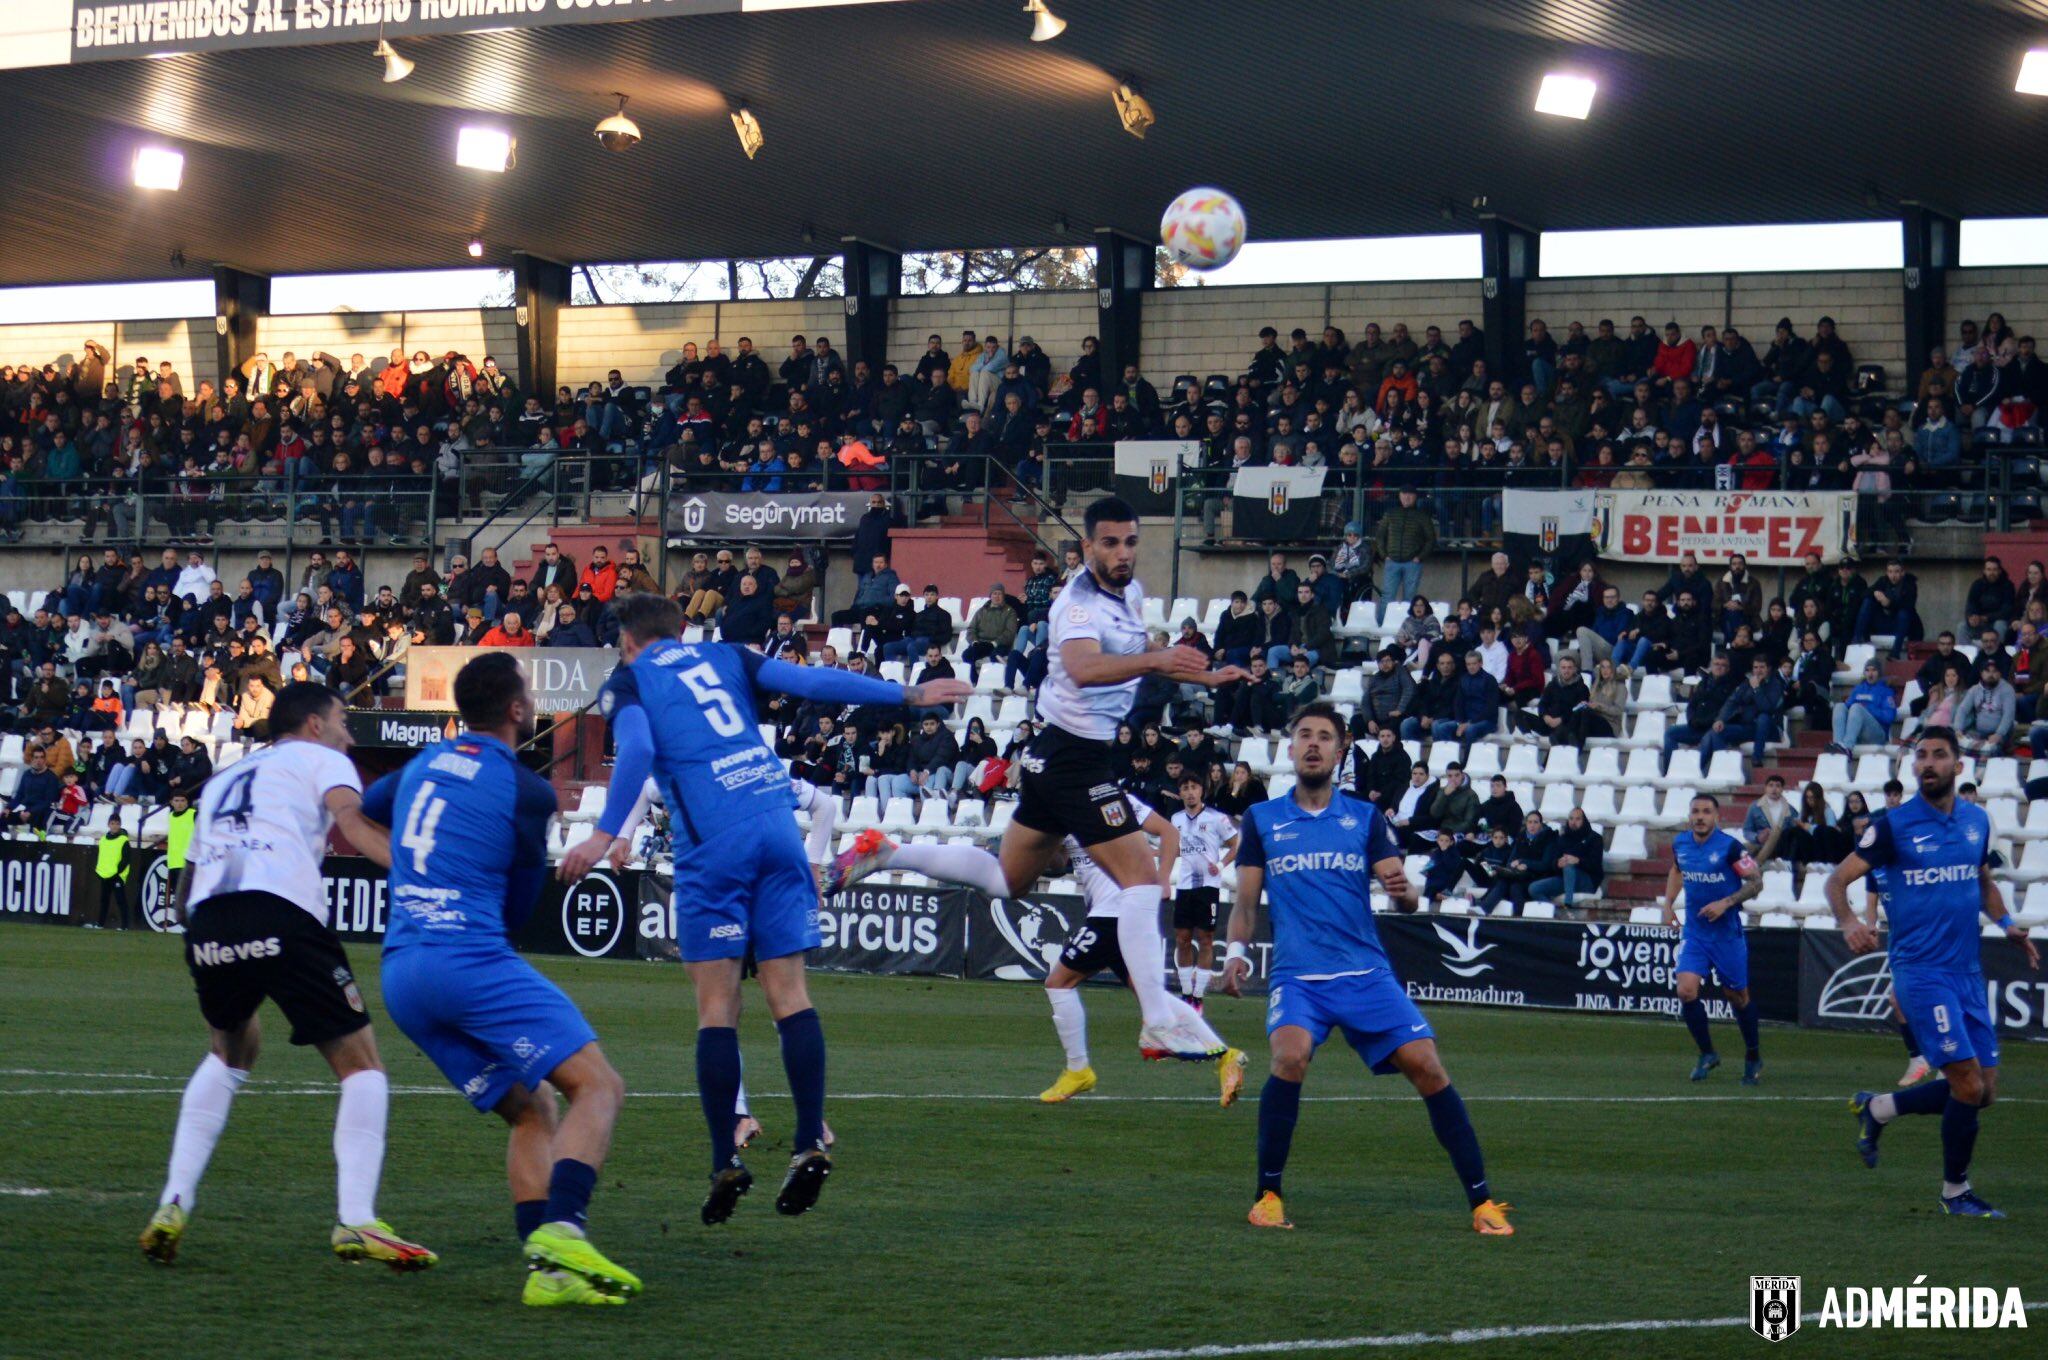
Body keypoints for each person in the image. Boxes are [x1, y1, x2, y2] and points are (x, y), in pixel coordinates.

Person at [556, 593, 970, 1225]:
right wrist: (907, 697)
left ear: (629, 641)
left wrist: (603, 832)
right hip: (777, 826)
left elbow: (636, 751)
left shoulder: (629, 679)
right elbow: (812, 680)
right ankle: (808, 1141)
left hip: (713, 843)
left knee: (718, 1005)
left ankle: (726, 1157)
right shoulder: (725, 655)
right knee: (791, 995)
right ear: (682, 630)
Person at [827, 498, 1247, 1058]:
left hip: (1064, 758)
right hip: (1074, 757)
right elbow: (1082, 667)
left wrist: (1197, 671)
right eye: (1111, 543)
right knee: (1144, 880)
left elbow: (1139, 649)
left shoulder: (1132, 594)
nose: (1123, 553)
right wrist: (1157, 662)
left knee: (1008, 881)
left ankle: (887, 851)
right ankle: (1156, 1018)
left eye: (1130, 542)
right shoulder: (1076, 604)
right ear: (1088, 548)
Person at [358, 653, 637, 1308]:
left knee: (531, 1108)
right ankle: (566, 1229)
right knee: (598, 1087)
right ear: (515, 711)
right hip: (468, 961)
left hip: (402, 973)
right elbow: (515, 913)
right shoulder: (528, 790)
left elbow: (370, 809)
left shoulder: (421, 763)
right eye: (529, 696)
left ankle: (548, 1273)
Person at [139, 683, 435, 1270]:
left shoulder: (227, 774)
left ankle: (173, 1202)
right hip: (279, 910)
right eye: (344, 720)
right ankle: (357, 1220)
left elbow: (189, 877)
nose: (350, 732)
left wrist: (206, 935)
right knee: (362, 1066)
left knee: (230, 1050)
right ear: (315, 724)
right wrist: (419, 872)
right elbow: (351, 822)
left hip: (208, 920)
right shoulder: (325, 759)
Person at [1218, 702, 1512, 1237]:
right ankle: (1268, 1196)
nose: (1313, 744)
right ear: (1290, 748)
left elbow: (1403, 895)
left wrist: (1407, 893)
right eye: (1304, 734)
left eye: (1324, 737)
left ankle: (1483, 1202)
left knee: (1428, 1066)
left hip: (1365, 974)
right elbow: (1245, 903)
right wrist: (1235, 955)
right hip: (1298, 977)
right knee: (1288, 1057)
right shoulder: (1262, 820)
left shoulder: (1365, 819)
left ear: (1340, 749)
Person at [1835, 728, 2041, 1219]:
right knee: (1966, 1085)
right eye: (1921, 756)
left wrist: (2008, 924)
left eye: (1938, 755)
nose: (1928, 763)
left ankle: (1879, 1108)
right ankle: (1955, 1192)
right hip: (1921, 973)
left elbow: (1983, 880)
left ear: (1958, 766)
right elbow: (1837, 878)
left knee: (1984, 1092)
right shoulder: (1893, 826)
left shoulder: (1976, 821)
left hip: (1966, 972)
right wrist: (1848, 921)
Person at [1037, 793, 1246, 1107]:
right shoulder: (1063, 807)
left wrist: (1162, 880)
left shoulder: (1112, 798)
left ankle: (1077, 1069)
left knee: (1058, 983)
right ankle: (1225, 1056)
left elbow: (1169, 832)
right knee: (1153, 998)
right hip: (1119, 915)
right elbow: (1057, 863)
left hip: (1113, 914)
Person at [1660, 794, 1765, 1085]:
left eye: (1707, 811)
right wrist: (1668, 903)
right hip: (1695, 933)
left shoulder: (1730, 847)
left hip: (1726, 936)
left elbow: (1757, 882)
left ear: (1717, 817)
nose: (1700, 816)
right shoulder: (1681, 844)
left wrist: (1726, 902)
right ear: (1689, 815)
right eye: (1695, 811)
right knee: (1686, 991)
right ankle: (1708, 1053)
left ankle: (1753, 1054)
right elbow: (1676, 870)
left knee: (1738, 997)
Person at [1169, 774, 1239, 1010]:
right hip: (1184, 886)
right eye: (1185, 788)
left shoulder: (1216, 818)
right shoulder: (1175, 819)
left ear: (1202, 791)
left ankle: (1198, 997)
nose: (1190, 792)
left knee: (1206, 939)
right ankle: (1186, 993)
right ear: (1180, 793)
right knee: (1182, 939)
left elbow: (1235, 843)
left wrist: (1220, 866)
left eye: (1194, 787)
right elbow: (1177, 849)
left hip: (1208, 886)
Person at [1831, 660, 1898, 753]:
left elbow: (1889, 717)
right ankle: (1838, 744)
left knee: (1856, 708)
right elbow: (1847, 706)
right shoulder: (1859, 688)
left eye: (1874, 670)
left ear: (1879, 672)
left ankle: (1847, 747)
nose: (1870, 674)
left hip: (1877, 734)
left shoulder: (1886, 691)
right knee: (1839, 706)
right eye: (1867, 670)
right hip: (1858, 731)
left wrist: (1867, 708)